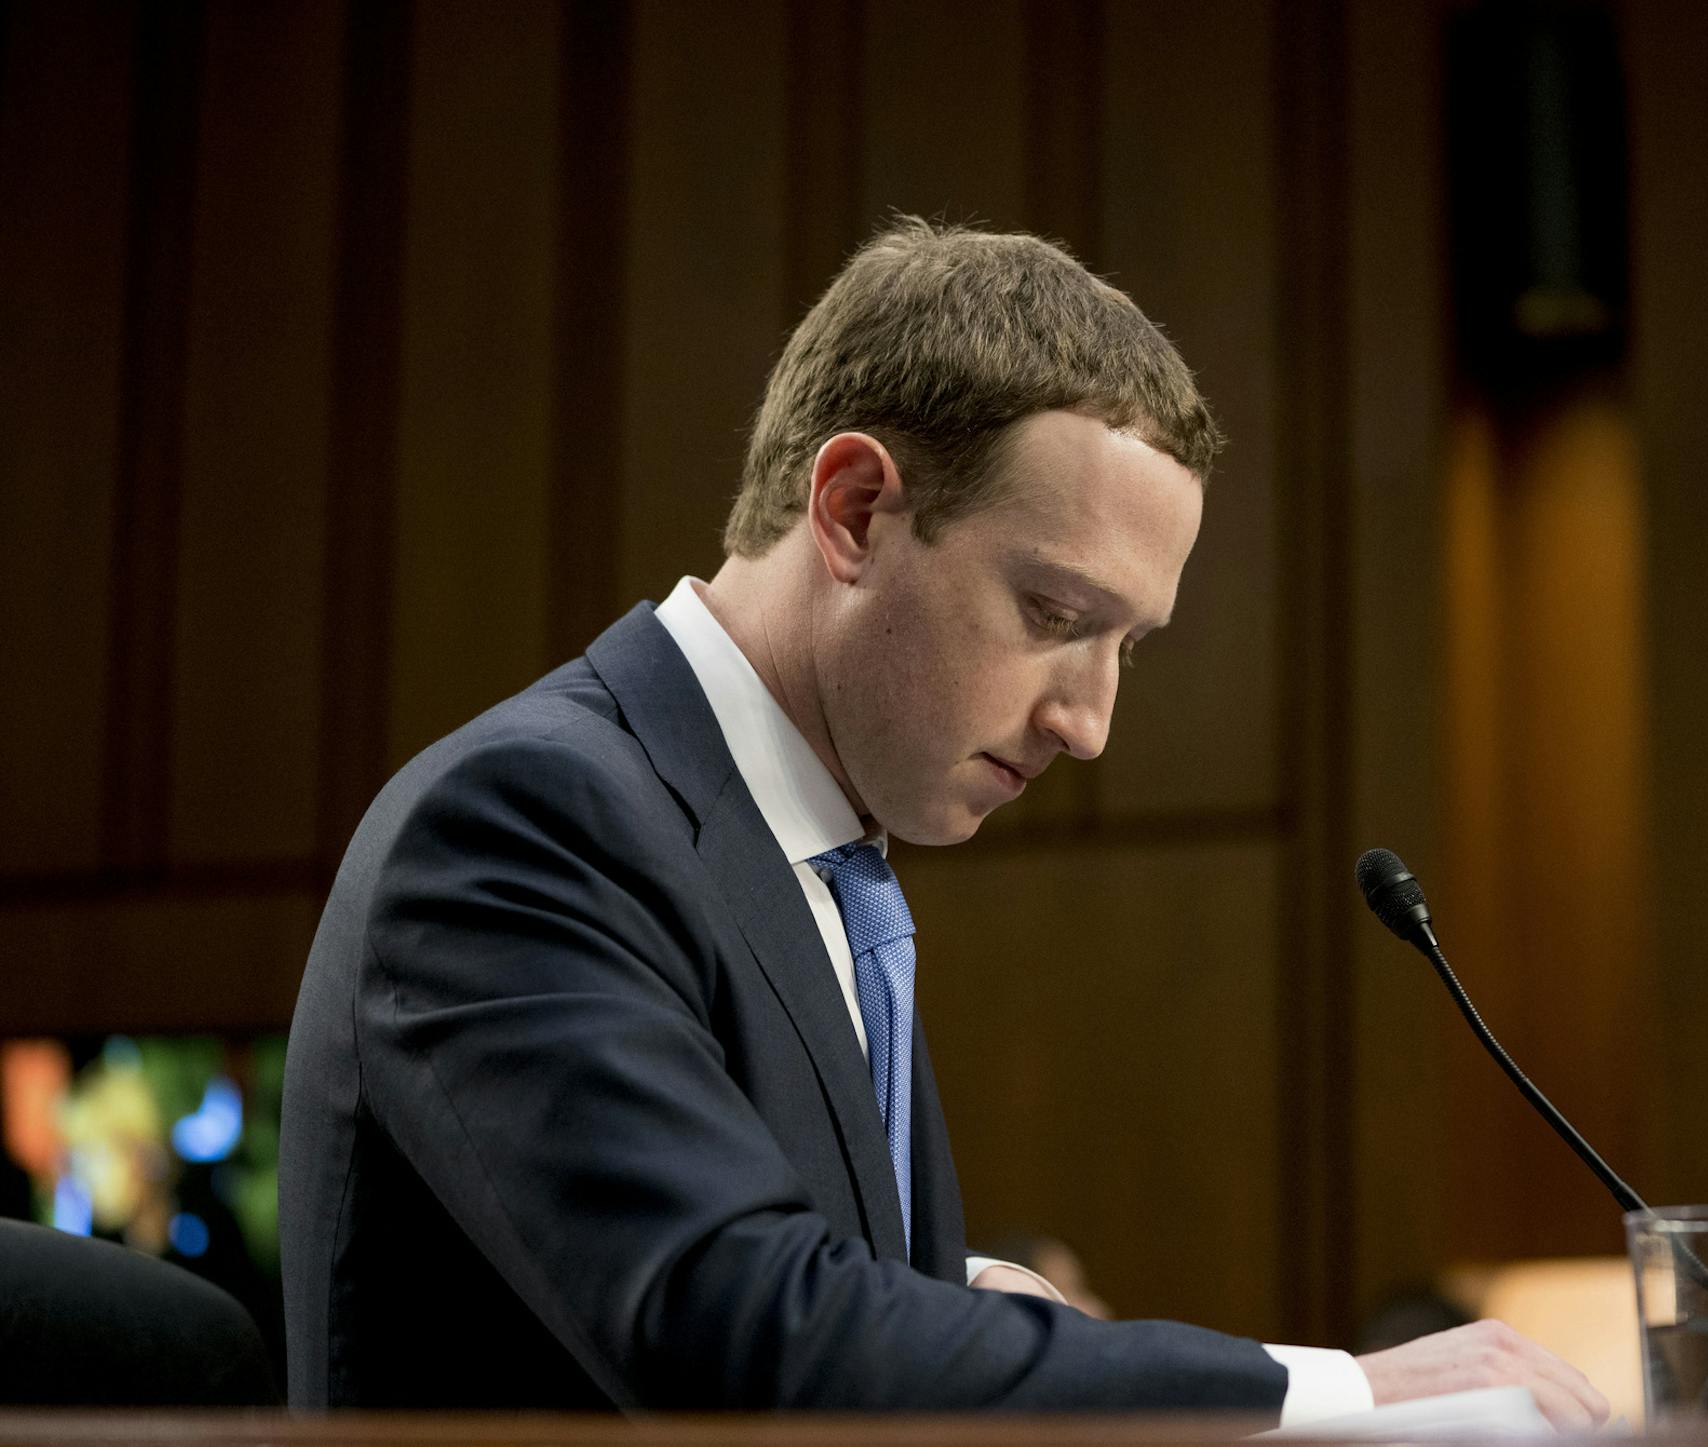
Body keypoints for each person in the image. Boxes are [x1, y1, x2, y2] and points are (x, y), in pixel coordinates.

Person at [280, 219, 1609, 1428]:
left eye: (1126, 650)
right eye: (1055, 616)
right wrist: (1332, 1392)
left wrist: (964, 1297)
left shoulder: (817, 859)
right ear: (855, 510)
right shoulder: (529, 821)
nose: (1087, 723)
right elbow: (743, 1336)